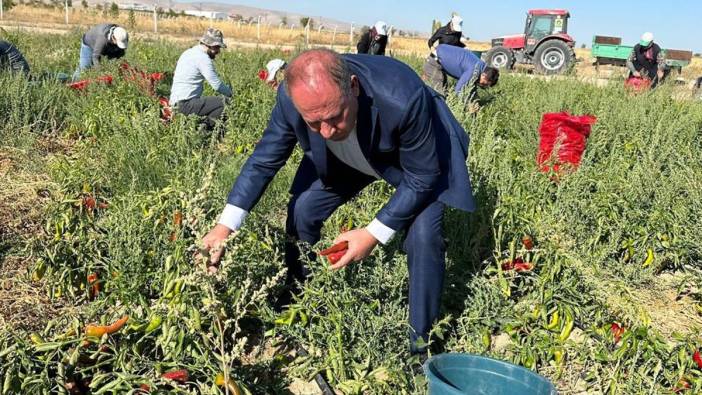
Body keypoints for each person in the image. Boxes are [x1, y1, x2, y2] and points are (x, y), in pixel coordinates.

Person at [200, 48, 476, 355]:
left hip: (411, 158)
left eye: (335, 116)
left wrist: (372, 233)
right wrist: (224, 227)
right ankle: (296, 289)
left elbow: (422, 177)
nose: (328, 132)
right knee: (303, 208)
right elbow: (264, 161)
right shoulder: (293, 99)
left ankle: (419, 344)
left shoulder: (402, 96)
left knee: (424, 236)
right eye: (314, 124)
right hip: (352, 157)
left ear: (353, 87)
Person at [169, 28, 233, 130]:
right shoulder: (203, 59)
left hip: (175, 103)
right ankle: (204, 131)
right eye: (217, 48)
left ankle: (197, 126)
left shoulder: (188, 52)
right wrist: (230, 94)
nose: (218, 51)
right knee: (225, 103)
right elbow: (217, 85)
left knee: (213, 102)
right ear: (210, 45)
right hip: (185, 104)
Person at [423, 44, 499, 104]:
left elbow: (471, 86)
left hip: (439, 59)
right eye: (485, 84)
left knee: (444, 91)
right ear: (484, 75)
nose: (484, 86)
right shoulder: (474, 70)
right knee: (440, 97)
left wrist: (475, 100)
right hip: (434, 63)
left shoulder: (481, 66)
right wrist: (468, 104)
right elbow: (458, 90)